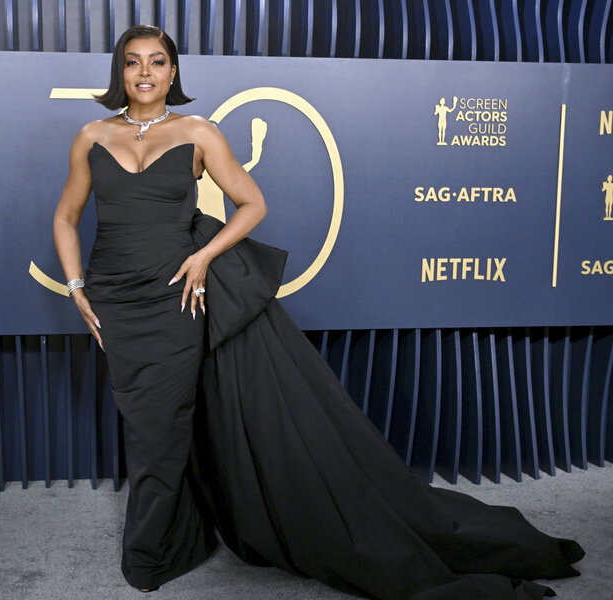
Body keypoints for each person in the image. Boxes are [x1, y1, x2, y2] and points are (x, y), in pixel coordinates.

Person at [53, 25, 584, 600]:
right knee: (144, 420)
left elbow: (253, 204)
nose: (146, 73)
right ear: (120, 72)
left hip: (178, 297)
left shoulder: (198, 132)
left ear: (173, 73)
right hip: (116, 301)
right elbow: (65, 217)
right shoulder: (90, 136)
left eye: (157, 62)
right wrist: (77, 285)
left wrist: (204, 255)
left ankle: (148, 551)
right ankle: (175, 534)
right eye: (133, 63)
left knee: (162, 426)